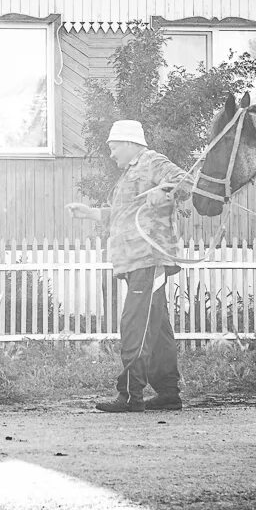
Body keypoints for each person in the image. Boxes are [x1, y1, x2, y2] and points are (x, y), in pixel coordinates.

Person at [67, 120, 191, 413]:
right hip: (135, 260)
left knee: (134, 323)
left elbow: (185, 182)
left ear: (129, 143)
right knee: (156, 328)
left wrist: (166, 190)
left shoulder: (151, 161)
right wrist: (92, 213)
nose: (111, 155)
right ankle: (169, 394)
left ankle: (130, 396)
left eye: (113, 148)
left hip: (149, 257)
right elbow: (126, 213)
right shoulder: (129, 175)